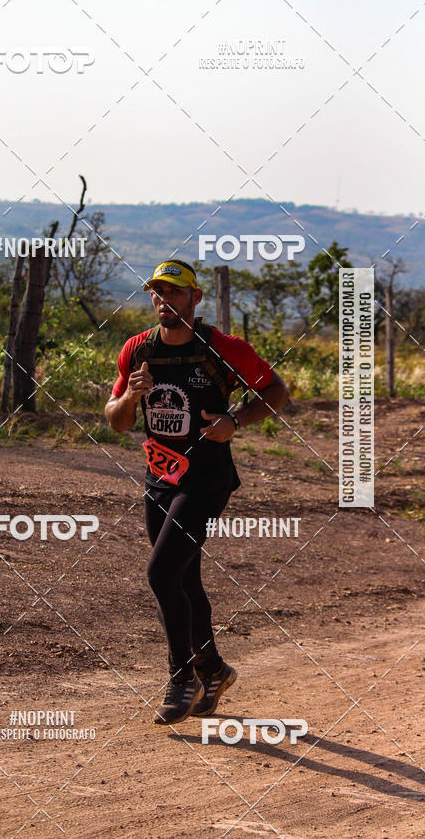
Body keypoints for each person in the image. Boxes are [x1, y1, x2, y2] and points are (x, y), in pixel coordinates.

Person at [105, 259, 289, 725]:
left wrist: (235, 422)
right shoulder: (137, 351)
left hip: (206, 479)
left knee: (162, 572)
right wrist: (130, 396)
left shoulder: (224, 348)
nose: (163, 301)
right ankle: (213, 668)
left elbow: (275, 389)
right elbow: (116, 419)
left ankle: (180, 677)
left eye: (175, 293)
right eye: (157, 292)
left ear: (195, 298)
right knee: (184, 580)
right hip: (160, 478)